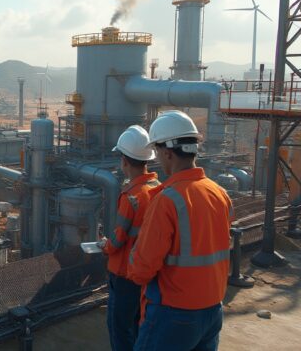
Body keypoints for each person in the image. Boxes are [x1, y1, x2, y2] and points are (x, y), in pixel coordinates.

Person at [128, 111, 233, 351]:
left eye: (156, 151)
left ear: (167, 152)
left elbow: (142, 269)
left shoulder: (167, 200)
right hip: (212, 309)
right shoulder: (219, 192)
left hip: (174, 313)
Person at [99, 125, 159, 351]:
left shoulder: (131, 196)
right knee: (137, 324)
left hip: (124, 273)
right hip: (147, 272)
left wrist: (105, 246)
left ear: (124, 161)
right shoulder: (159, 189)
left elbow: (117, 241)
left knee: (119, 328)